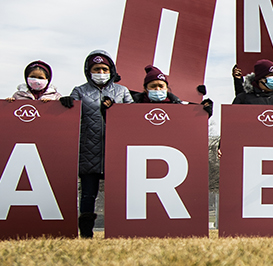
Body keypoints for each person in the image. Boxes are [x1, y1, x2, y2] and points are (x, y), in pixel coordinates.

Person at [59, 51, 133, 238]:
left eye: (104, 69)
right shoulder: (79, 91)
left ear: (111, 70)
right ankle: (85, 234)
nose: (100, 71)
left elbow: (133, 117)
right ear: (88, 71)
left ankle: (121, 231)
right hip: (88, 151)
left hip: (115, 152)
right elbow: (69, 119)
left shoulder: (122, 91)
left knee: (119, 194)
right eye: (96, 69)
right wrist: (64, 104)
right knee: (88, 195)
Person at [129, 66, 213, 117]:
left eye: (161, 86)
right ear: (145, 89)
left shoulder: (178, 105)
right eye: (153, 86)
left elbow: (192, 122)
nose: (157, 89)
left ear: (166, 88)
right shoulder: (130, 104)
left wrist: (203, 110)